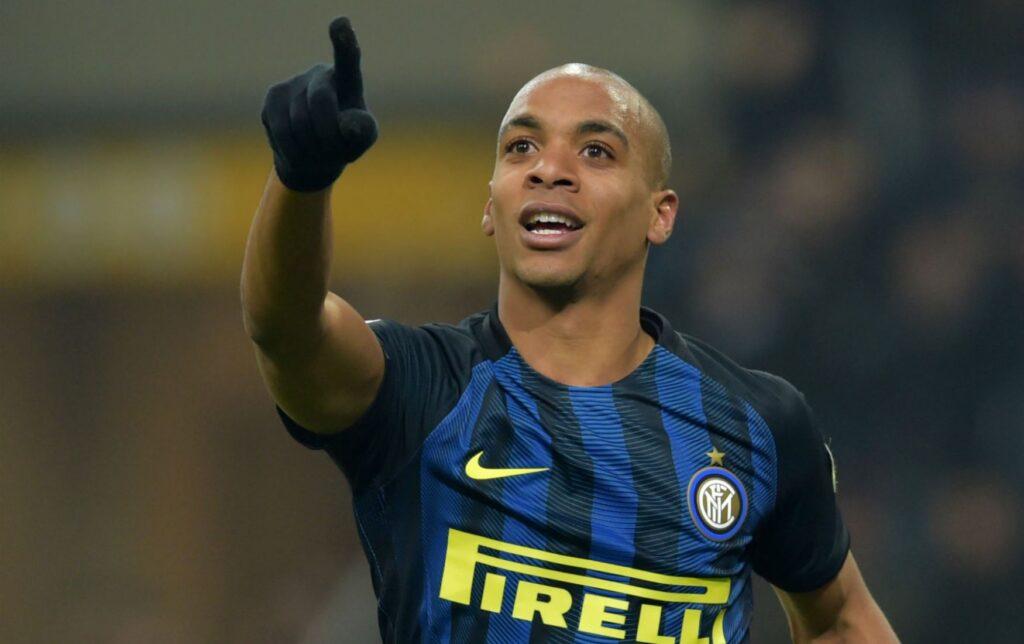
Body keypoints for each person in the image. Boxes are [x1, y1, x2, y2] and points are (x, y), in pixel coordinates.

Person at [241, 16, 898, 644]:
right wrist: (301, 180)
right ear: (491, 206)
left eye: (596, 151)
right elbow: (286, 328)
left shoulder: (756, 425)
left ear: (660, 215)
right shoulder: (421, 389)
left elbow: (839, 622)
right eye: (521, 147)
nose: (549, 169)